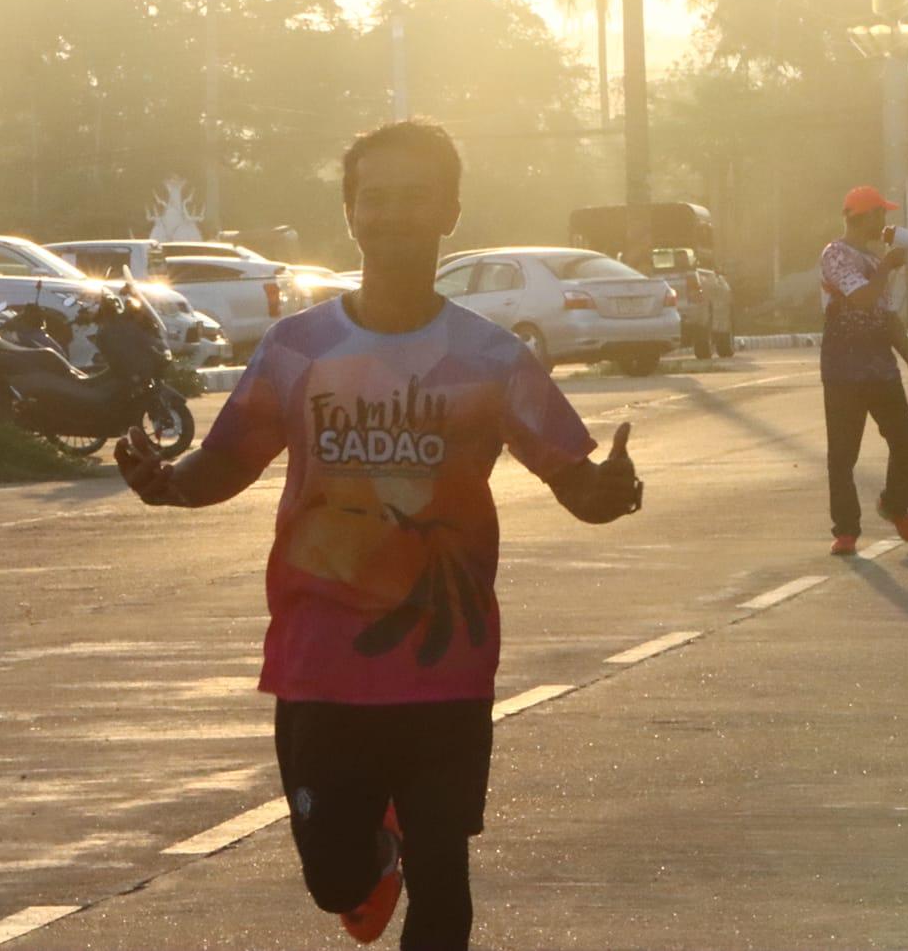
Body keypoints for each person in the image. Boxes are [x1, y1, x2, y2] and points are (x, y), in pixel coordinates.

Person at [114, 120, 644, 949]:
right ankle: (376, 847)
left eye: (416, 197)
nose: (394, 214)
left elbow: (572, 478)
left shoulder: (492, 357)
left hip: (445, 656)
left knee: (445, 884)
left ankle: (412, 844)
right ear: (352, 213)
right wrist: (170, 484)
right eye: (377, 198)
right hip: (320, 661)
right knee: (334, 877)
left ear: (451, 212)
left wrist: (605, 493)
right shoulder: (298, 348)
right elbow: (228, 460)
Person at [818, 185, 908, 555]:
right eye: (880, 214)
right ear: (862, 216)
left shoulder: (872, 258)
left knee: (904, 438)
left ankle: (895, 505)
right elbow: (862, 298)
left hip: (881, 368)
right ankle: (846, 530)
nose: (884, 221)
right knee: (842, 455)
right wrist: (885, 267)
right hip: (843, 371)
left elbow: (888, 317)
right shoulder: (835, 255)